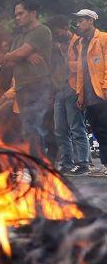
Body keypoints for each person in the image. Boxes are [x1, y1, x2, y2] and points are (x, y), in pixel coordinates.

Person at [2, 0, 53, 157]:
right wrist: (21, 55)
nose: (17, 17)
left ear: (33, 13)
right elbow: (8, 60)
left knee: (33, 126)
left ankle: (38, 166)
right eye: (16, 14)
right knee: (27, 127)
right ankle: (37, 165)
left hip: (37, 85)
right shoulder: (19, 37)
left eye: (21, 13)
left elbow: (19, 54)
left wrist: (21, 54)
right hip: (22, 87)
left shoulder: (41, 31)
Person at [49, 16, 92, 176]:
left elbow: (84, 65)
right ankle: (67, 163)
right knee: (59, 128)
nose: (57, 34)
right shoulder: (59, 46)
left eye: (58, 31)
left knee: (76, 127)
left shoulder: (79, 43)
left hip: (74, 88)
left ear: (65, 28)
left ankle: (83, 164)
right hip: (60, 90)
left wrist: (66, 63)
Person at [71, 9, 107, 177]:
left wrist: (106, 87)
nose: (78, 24)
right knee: (98, 130)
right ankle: (105, 165)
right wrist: (80, 93)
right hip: (89, 95)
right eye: (77, 21)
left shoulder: (103, 38)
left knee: (104, 128)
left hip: (102, 93)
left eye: (80, 21)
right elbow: (80, 70)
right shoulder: (81, 43)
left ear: (90, 21)